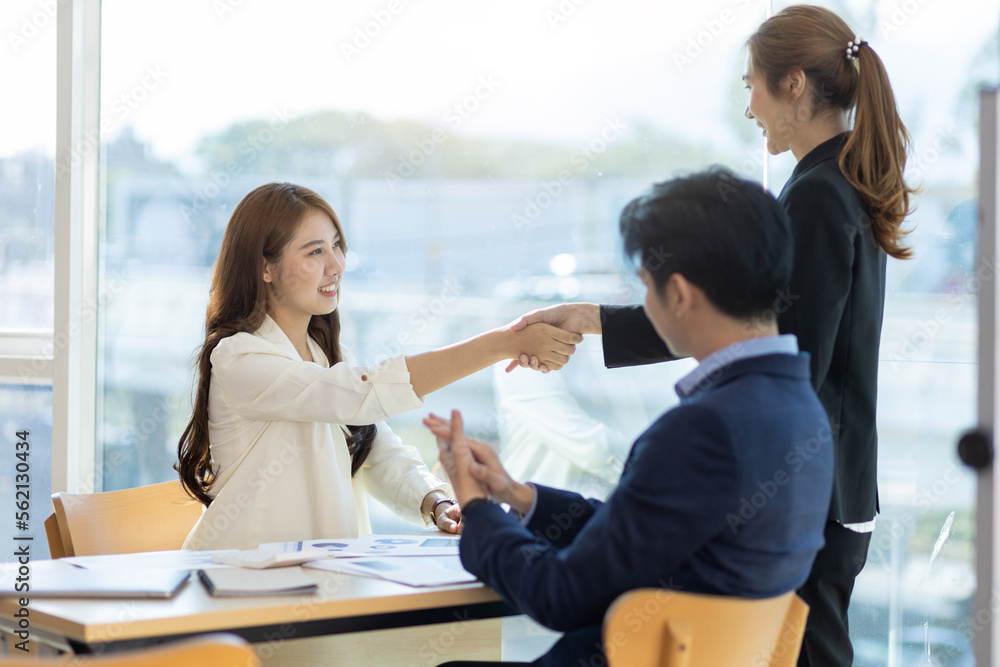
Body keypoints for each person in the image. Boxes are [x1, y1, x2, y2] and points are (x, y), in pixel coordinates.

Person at [509, 6, 915, 666]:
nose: (749, 107)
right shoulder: (843, 178)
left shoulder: (817, 192)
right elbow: (749, 324)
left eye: (752, 84)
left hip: (807, 489)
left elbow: (780, 346)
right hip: (835, 484)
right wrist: (594, 318)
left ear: (793, 85)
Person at [425, 168, 835, 667]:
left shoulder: (701, 430)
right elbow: (641, 537)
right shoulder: (803, 412)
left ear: (680, 295)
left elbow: (560, 594)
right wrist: (519, 496)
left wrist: (476, 508)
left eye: (646, 286)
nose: (645, 303)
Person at [177, 182, 581, 551]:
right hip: (238, 584)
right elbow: (360, 396)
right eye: (315, 251)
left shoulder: (328, 356)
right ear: (265, 268)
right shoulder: (240, 358)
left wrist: (435, 501)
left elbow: (378, 452)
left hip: (321, 579)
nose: (336, 265)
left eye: (337, 246)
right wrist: (502, 344)